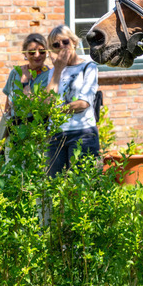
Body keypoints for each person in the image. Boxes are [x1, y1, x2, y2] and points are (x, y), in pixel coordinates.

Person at [42, 25, 100, 176]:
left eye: (65, 42)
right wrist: (58, 71)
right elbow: (47, 103)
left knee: (81, 183)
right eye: (56, 45)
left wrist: (56, 111)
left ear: (74, 42)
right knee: (53, 184)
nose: (61, 47)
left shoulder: (88, 66)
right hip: (55, 134)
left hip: (82, 132)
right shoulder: (54, 70)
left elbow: (83, 103)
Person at [0, 33, 50, 146]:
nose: (37, 55)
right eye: (32, 52)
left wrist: (25, 82)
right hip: (15, 129)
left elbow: (41, 106)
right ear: (25, 53)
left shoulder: (50, 75)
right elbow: (8, 104)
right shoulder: (15, 73)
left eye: (42, 51)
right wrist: (7, 131)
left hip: (37, 130)